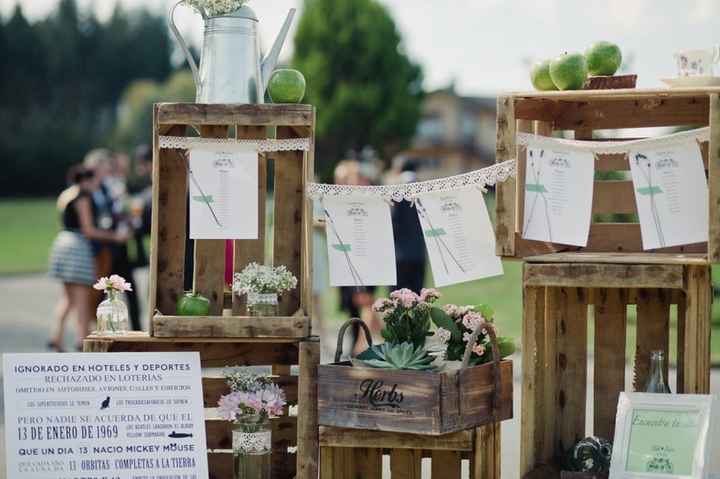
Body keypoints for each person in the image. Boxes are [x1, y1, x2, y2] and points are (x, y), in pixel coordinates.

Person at [48, 165, 128, 351]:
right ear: (85, 180)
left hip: (63, 242)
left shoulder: (66, 194)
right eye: (93, 180)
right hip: (77, 247)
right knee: (83, 298)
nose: (96, 184)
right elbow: (88, 229)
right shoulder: (83, 197)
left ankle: (56, 336)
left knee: (68, 298)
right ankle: (82, 340)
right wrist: (115, 236)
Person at [391, 159, 426, 293]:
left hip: (399, 253)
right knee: (418, 297)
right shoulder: (423, 188)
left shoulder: (396, 190)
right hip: (418, 252)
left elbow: (394, 221)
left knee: (398, 300)